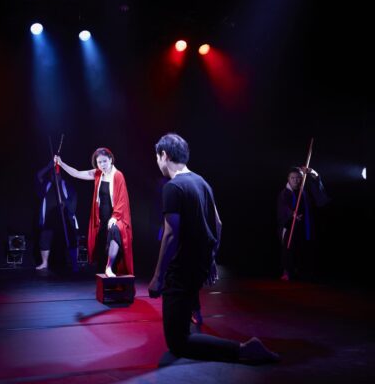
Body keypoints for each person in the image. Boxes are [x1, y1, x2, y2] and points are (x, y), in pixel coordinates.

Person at [149, 133, 279, 363]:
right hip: (198, 267)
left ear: (164, 155)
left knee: (178, 342)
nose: (158, 162)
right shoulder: (202, 182)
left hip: (180, 270)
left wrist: (158, 277)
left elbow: (170, 235)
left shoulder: (173, 187)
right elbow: (217, 224)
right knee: (182, 328)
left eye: (157, 157)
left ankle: (242, 349)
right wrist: (210, 260)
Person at [55, 148, 133, 277]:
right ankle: (105, 276)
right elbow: (76, 173)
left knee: (114, 232)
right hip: (102, 219)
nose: (102, 164)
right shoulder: (98, 174)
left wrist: (115, 217)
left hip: (116, 218)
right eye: (99, 162)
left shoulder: (118, 175)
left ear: (111, 160)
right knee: (101, 251)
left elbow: (122, 199)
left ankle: (109, 267)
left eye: (104, 161)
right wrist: (61, 163)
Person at [277, 166, 329, 281]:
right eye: (292, 178)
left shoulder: (305, 191)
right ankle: (287, 271)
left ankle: (303, 272)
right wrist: (292, 214)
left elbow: (319, 193)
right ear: (288, 179)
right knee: (288, 248)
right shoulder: (285, 193)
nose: (295, 180)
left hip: (305, 226)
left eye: (298, 178)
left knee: (305, 250)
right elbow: (283, 207)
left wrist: (312, 172)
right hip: (290, 226)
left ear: (302, 178)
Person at [35, 160, 79, 271]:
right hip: (49, 218)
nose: (55, 175)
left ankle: (75, 263)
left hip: (65, 217)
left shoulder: (66, 185)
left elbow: (73, 198)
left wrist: (66, 204)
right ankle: (44, 263)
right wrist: (48, 166)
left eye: (57, 173)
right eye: (53, 174)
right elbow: (38, 176)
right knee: (44, 238)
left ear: (60, 175)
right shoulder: (47, 185)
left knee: (71, 239)